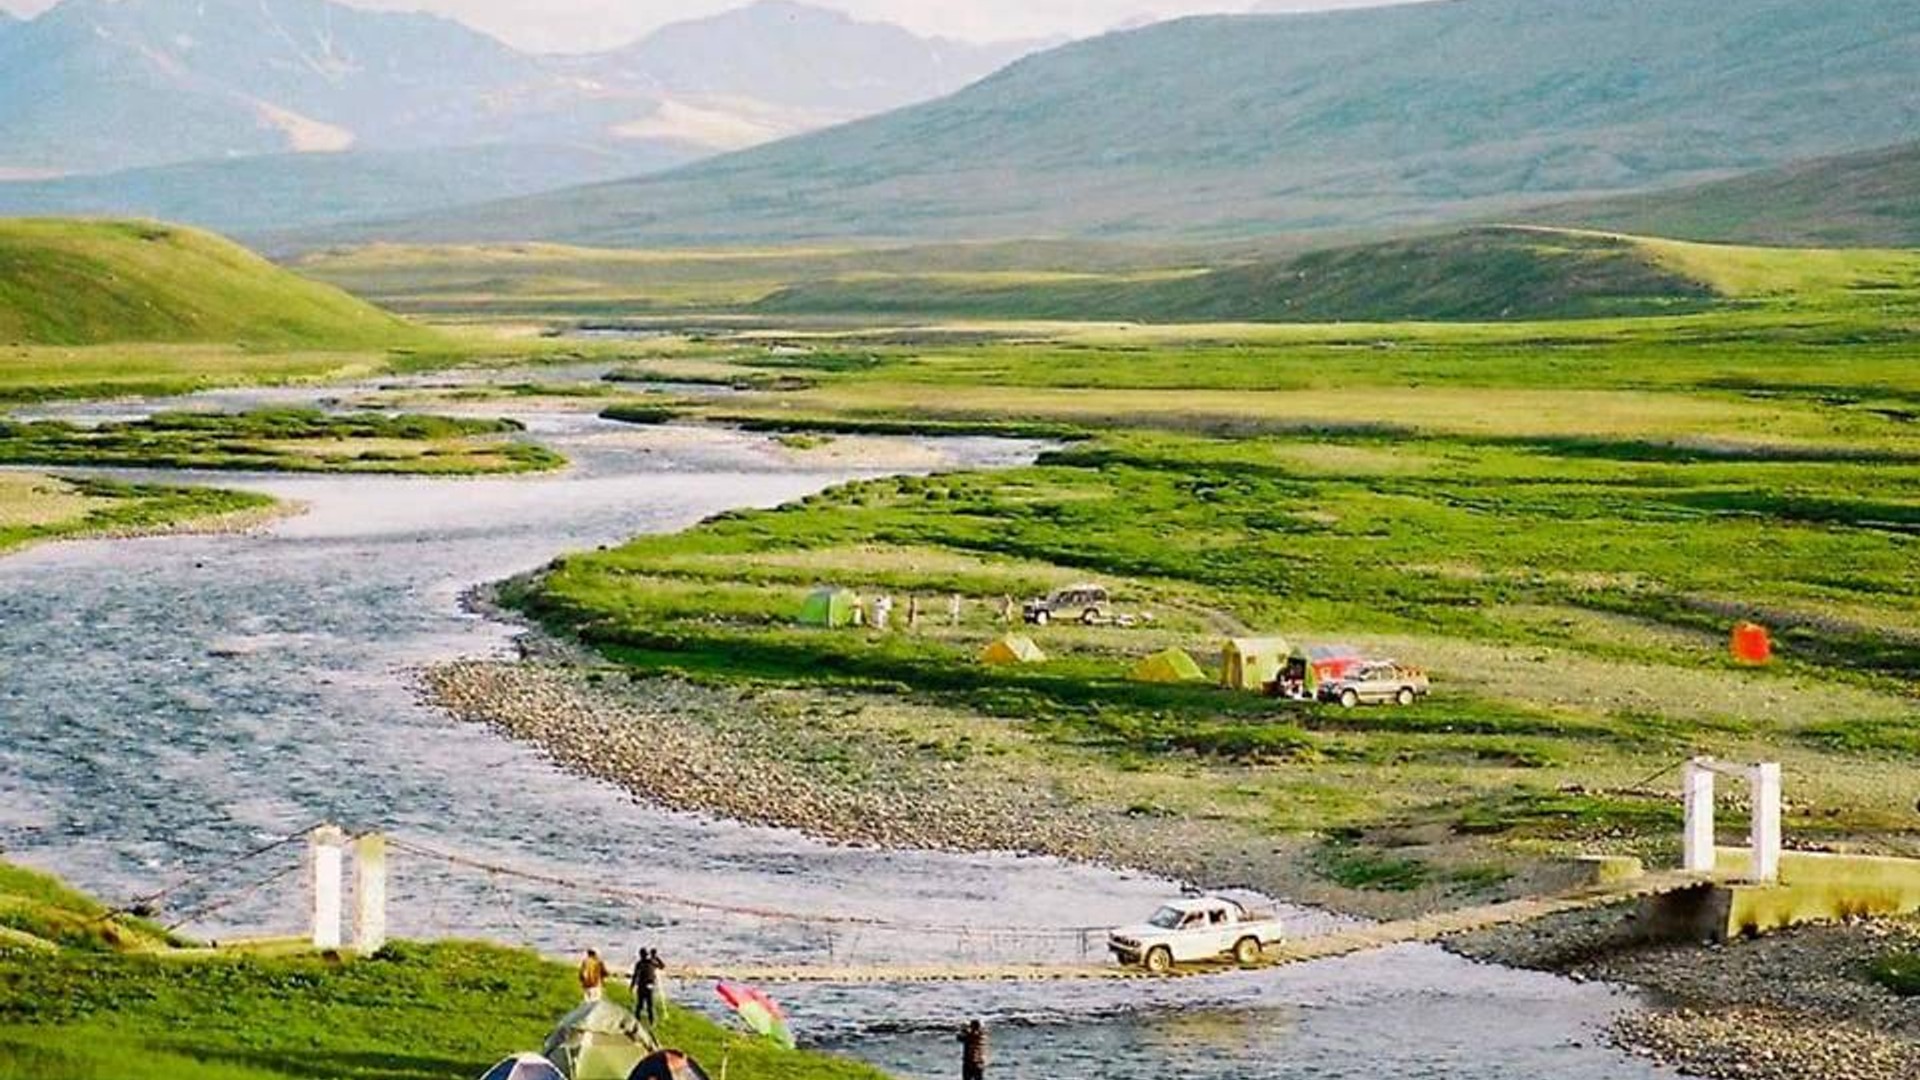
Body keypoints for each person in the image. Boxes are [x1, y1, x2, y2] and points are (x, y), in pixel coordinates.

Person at [631, 947, 663, 1023]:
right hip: (645, 986)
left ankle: (646, 1021)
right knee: (644, 1005)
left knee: (645, 1005)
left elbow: (662, 966)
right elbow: (635, 975)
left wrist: (656, 957)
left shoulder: (649, 962)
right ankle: (643, 1021)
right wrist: (656, 957)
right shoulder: (648, 962)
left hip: (645, 986)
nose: (643, 956)